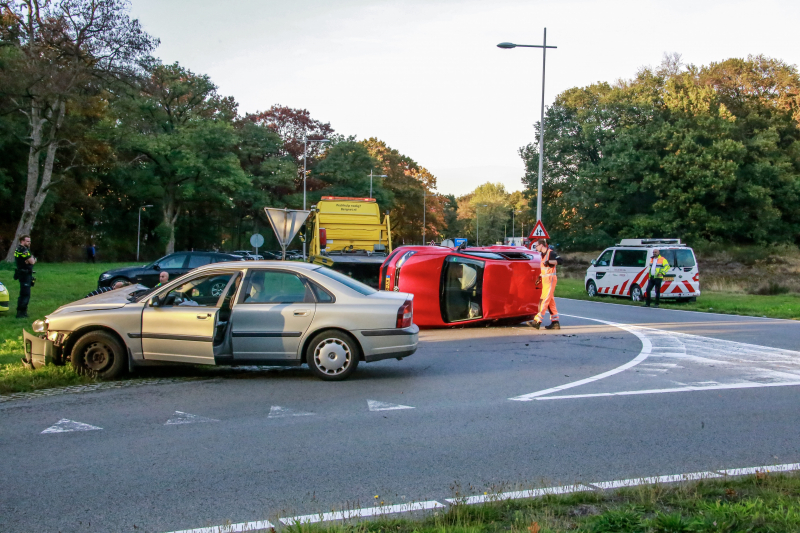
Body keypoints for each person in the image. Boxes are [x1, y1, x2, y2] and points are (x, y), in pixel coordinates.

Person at [526, 239, 561, 330]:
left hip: (550, 280)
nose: (536, 248)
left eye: (536, 246)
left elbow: (560, 260)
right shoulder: (542, 255)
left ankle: (537, 321)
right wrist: (540, 277)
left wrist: (549, 262)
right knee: (550, 301)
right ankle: (555, 322)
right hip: (545, 280)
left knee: (544, 300)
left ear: (542, 245)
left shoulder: (551, 253)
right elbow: (544, 269)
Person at [13, 234, 36, 319]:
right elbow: (32, 261)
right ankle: (21, 313)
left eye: (30, 241)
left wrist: (29, 260)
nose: (29, 243)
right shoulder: (23, 250)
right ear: (22, 241)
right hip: (24, 274)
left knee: (23, 293)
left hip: (23, 273)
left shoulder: (19, 249)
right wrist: (32, 259)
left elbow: (29, 260)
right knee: (25, 294)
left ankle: (22, 311)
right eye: (27, 241)